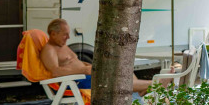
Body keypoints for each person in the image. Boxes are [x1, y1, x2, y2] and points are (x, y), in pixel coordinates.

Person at [40, 18, 170, 96]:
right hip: (75, 82)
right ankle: (155, 84)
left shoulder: (61, 46)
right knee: (117, 81)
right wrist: (84, 70)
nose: (68, 37)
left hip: (85, 75)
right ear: (53, 34)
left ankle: (143, 88)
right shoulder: (49, 50)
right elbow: (56, 72)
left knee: (121, 68)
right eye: (65, 34)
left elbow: (75, 63)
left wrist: (90, 66)